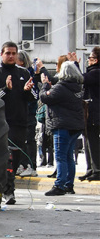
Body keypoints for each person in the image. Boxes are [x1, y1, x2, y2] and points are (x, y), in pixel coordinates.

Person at [0, 41, 36, 205]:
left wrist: (27, 92)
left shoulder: (24, 73)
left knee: (15, 159)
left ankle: (8, 186)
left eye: (13, 53)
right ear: (1, 54)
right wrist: (6, 89)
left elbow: (33, 98)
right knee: (4, 158)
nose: (11, 56)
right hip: (0, 123)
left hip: (19, 123)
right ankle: (6, 191)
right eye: (7, 53)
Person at [39, 61, 85, 196]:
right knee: (69, 156)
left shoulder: (60, 88)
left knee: (60, 156)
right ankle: (69, 185)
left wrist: (44, 85)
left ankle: (59, 185)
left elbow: (45, 97)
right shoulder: (77, 87)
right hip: (75, 126)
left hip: (62, 125)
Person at [80, 46, 100, 181]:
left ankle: (97, 169)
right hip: (90, 112)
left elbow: (80, 78)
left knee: (93, 141)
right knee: (87, 141)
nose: (88, 60)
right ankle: (91, 168)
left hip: (94, 112)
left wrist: (74, 64)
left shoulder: (96, 72)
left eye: (91, 58)